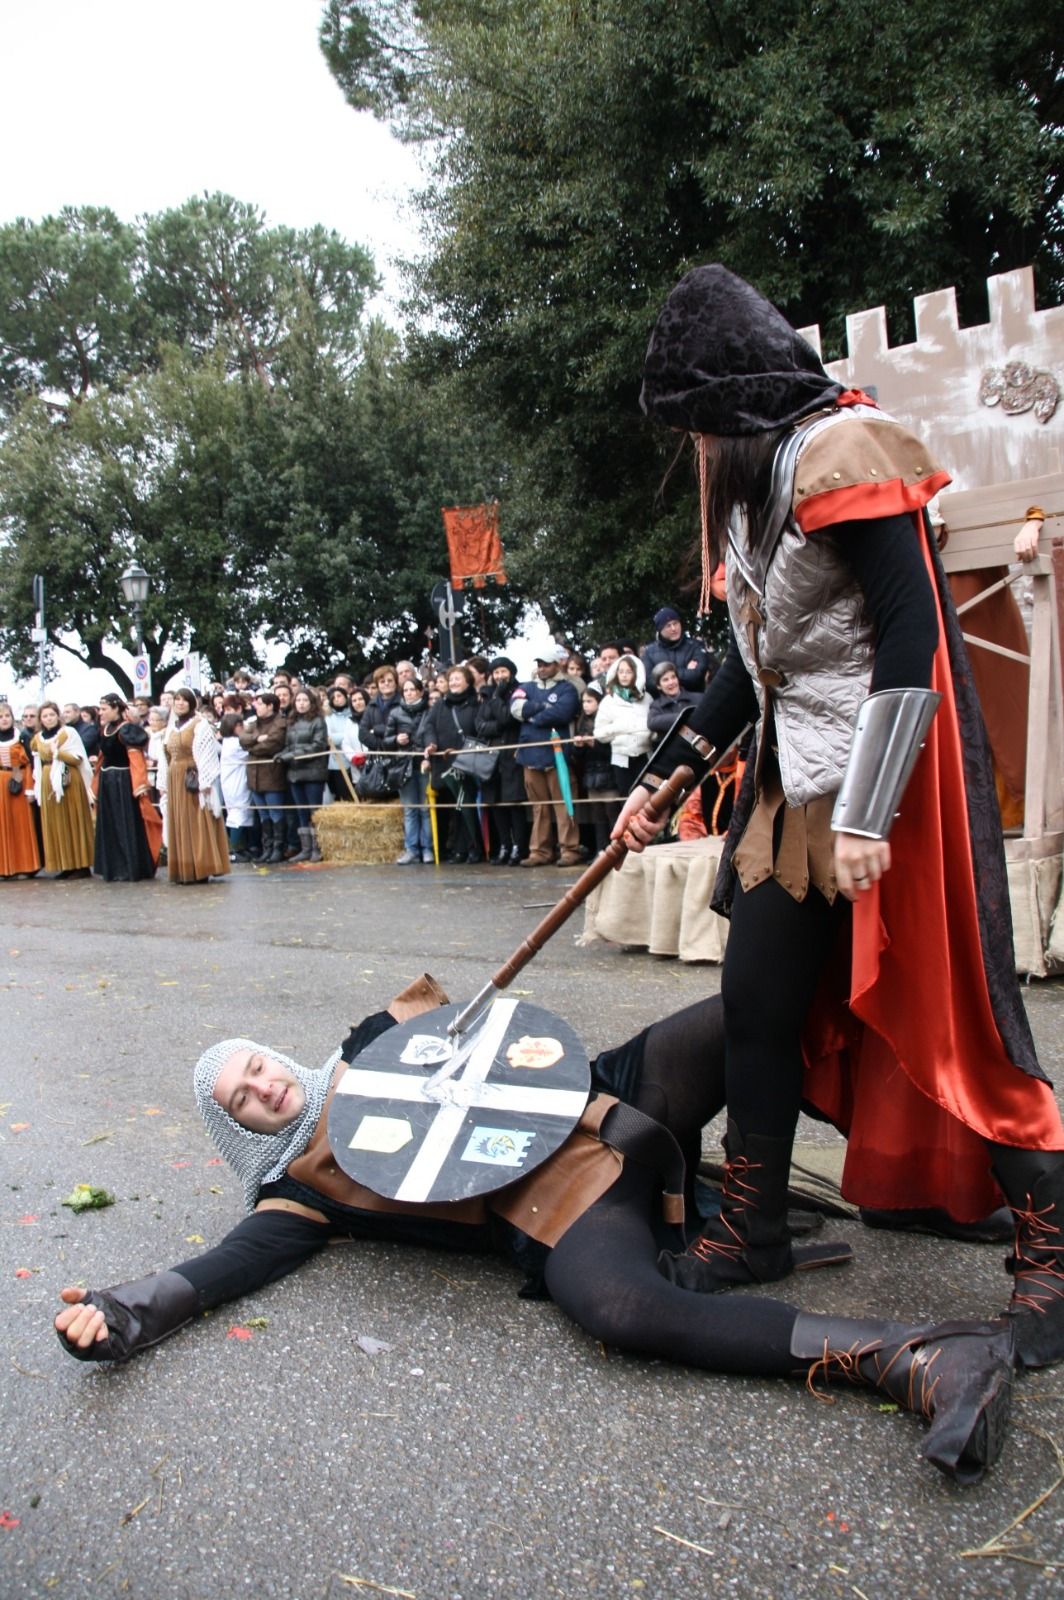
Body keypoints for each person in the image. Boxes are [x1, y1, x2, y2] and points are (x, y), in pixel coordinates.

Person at [615, 263, 1064, 1373]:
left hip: (890, 778)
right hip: (789, 779)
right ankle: (749, 1229)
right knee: (755, 1000)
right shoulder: (754, 488)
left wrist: (867, 812)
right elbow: (749, 665)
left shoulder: (843, 448)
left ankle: (1052, 1256)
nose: (693, 445)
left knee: (953, 1017)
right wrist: (662, 773)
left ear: (738, 397)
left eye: (698, 420)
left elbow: (909, 635)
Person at [53, 979, 1018, 1486]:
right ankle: (914, 1358)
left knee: (766, 995)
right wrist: (119, 1313)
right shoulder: (300, 1196)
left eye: (258, 1067)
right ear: (240, 1128)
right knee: (620, 1308)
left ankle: (941, 1174)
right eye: (245, 1099)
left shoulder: (363, 1047)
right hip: (560, 1203)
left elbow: (487, 1025)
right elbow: (213, 1273)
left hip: (605, 1095)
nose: (266, 1087)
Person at [512, 647, 582, 868]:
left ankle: (570, 849)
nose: (542, 668)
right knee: (539, 807)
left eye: (546, 664)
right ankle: (540, 850)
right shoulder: (525, 687)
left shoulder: (567, 689)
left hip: (557, 756)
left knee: (564, 804)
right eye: (539, 664)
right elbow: (515, 709)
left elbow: (563, 712)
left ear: (557, 665)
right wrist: (541, 707)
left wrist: (532, 716)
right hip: (530, 754)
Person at [421, 664, 493, 863]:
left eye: (457, 679)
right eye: (450, 679)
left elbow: (479, 730)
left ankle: (473, 848)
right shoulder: (440, 705)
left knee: (467, 808)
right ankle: (456, 849)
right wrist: (431, 744)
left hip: (467, 762)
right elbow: (429, 727)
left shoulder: (475, 704)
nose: (452, 683)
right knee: (452, 809)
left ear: (468, 682)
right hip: (444, 763)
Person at [160, 688, 229, 885]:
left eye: (184, 700)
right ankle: (183, 868)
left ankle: (200, 868)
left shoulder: (200, 724)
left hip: (192, 776)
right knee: (179, 821)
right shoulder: (171, 727)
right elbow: (165, 755)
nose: (180, 703)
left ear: (191, 702)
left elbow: (207, 752)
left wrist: (205, 781)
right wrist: (163, 782)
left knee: (196, 820)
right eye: (177, 700)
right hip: (175, 777)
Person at [91, 694, 160, 881]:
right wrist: (96, 783)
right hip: (107, 781)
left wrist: (139, 784)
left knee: (125, 823)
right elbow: (102, 758)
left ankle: (130, 867)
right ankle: (114, 868)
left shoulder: (126, 730)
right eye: (100, 708)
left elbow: (136, 758)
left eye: (104, 709)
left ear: (116, 709)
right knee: (110, 824)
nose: (101, 712)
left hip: (122, 782)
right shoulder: (105, 729)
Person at [30, 701, 94, 877]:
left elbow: (78, 758)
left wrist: (58, 753)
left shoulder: (68, 733)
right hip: (47, 781)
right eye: (45, 716)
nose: (49, 719)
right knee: (55, 823)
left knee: (73, 819)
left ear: (58, 716)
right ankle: (64, 864)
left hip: (69, 780)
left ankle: (80, 865)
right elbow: (37, 759)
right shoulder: (38, 738)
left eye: (51, 715)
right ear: (40, 719)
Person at [478, 656, 530, 866]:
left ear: (511, 672)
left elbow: (509, 718)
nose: (500, 676)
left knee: (513, 803)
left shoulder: (518, 692)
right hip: (492, 757)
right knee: (496, 803)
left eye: (503, 672)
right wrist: (498, 724)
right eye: (496, 672)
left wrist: (498, 699)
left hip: (511, 754)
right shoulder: (486, 695)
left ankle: (520, 846)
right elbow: (479, 724)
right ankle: (504, 845)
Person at [278, 687, 329, 863]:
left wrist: (292, 755)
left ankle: (317, 847)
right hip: (294, 773)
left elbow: (317, 745)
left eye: (305, 700)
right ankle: (306, 848)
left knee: (314, 812)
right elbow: (288, 745)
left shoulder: (318, 721)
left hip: (313, 772)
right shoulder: (291, 722)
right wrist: (281, 754)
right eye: (298, 700)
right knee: (301, 812)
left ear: (311, 703)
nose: (301, 704)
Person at [591, 654, 652, 799]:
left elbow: (653, 725)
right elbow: (599, 733)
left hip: (645, 756)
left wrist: (649, 732)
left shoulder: (647, 698)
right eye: (621, 671)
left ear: (636, 674)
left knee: (647, 798)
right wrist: (620, 728)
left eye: (629, 672)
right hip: (621, 759)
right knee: (627, 799)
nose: (624, 676)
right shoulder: (608, 700)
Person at [238, 692, 289, 865]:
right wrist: (256, 739)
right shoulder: (253, 723)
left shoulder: (280, 722)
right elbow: (242, 739)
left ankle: (277, 849)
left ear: (270, 706)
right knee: (262, 815)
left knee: (275, 813)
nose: (256, 707)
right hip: (254, 775)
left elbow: (272, 744)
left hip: (272, 774)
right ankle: (266, 848)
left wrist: (252, 747)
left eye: (260, 704)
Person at [387, 676, 432, 865]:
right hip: (403, 765)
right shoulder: (395, 713)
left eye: (412, 689)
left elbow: (433, 734)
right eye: (405, 690)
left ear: (420, 691)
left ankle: (427, 848)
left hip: (423, 763)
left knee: (425, 809)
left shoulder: (430, 712)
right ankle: (411, 849)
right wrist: (396, 740)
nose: (408, 693)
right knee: (409, 810)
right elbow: (386, 740)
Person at [0, 702, 40, 877]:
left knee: (20, 824)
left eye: (7, 716)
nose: (4, 719)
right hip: (0, 782)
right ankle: (4, 868)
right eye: (0, 717)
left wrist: (30, 788)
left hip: (19, 780)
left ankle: (25, 865)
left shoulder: (22, 737)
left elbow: (31, 764)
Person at [641, 608, 717, 695]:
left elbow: (696, 676)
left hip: (695, 701)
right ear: (660, 630)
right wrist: (685, 671)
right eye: (668, 626)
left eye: (676, 623)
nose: (673, 628)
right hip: (662, 705)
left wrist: (663, 678)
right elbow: (649, 682)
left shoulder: (695, 646)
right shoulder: (649, 652)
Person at [218, 712, 254, 862]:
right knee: (237, 813)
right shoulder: (234, 743)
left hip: (235, 780)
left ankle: (241, 848)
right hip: (235, 782)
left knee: (242, 812)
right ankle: (234, 849)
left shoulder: (229, 741)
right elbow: (250, 751)